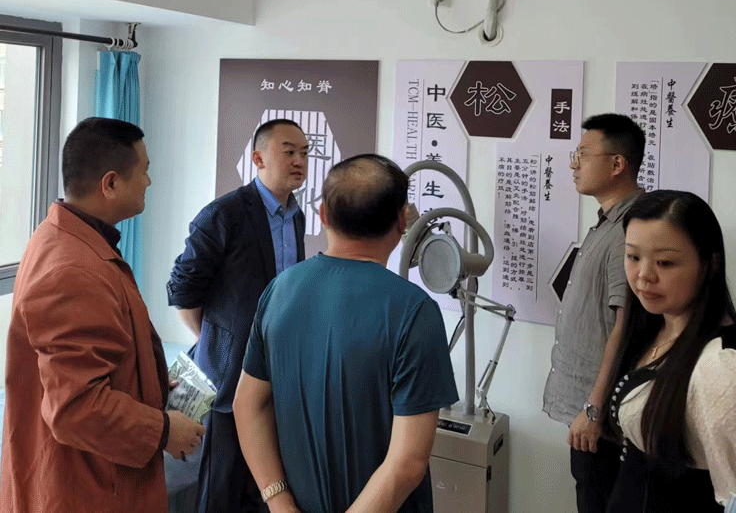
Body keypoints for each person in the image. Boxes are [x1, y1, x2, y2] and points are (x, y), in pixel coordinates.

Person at [233, 154, 459, 513]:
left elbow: (248, 404)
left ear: (323, 215)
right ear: (403, 222)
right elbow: (407, 463)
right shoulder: (414, 311)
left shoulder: (280, 290)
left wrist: (278, 500)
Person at [1, 117, 205, 513]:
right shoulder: (72, 269)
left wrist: (147, 383)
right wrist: (163, 431)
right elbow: (75, 407)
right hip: (84, 488)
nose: (149, 182)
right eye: (144, 171)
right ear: (110, 184)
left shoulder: (68, 238)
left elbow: (90, 359)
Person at [604, 190, 736, 512]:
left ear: (710, 264)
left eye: (664, 262)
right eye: (633, 257)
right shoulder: (651, 327)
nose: (644, 275)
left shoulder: (726, 372)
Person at [166, 118, 308, 513]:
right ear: (258, 158)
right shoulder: (224, 214)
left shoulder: (295, 215)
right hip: (229, 379)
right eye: (289, 151)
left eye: (304, 152)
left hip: (277, 370)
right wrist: (215, 340)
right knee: (221, 489)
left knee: (263, 485)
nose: (299, 161)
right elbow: (183, 290)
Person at [542, 113, 645, 513]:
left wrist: (593, 409)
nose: (573, 164)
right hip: (591, 414)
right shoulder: (609, 222)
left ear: (617, 164)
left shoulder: (630, 227)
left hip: (602, 420)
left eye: (584, 154)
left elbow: (625, 322)